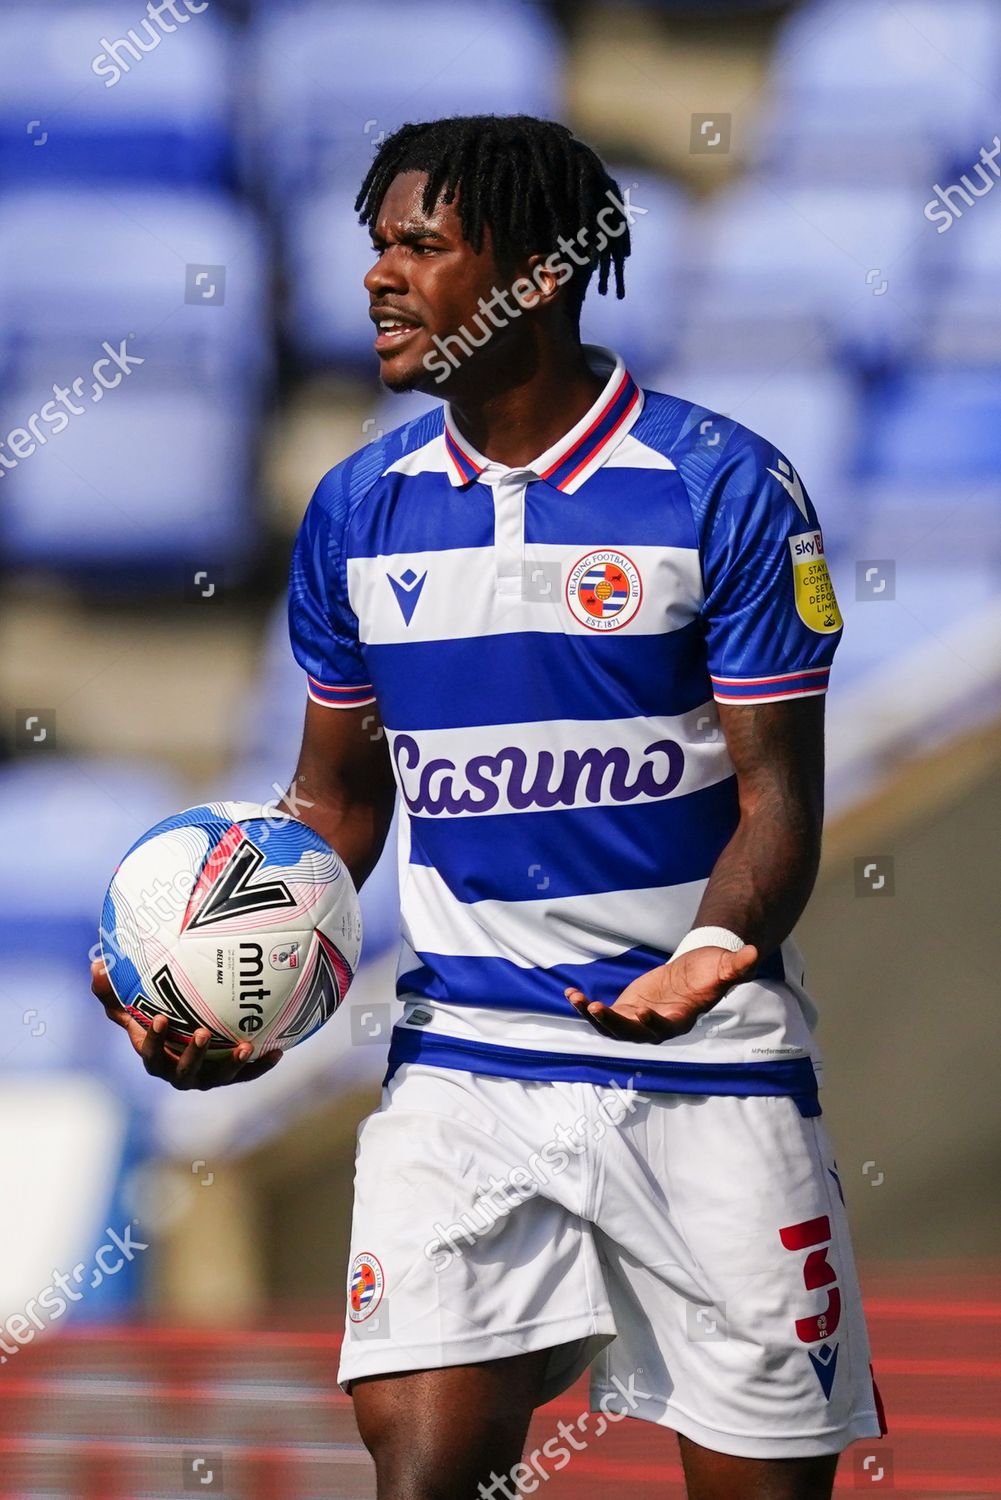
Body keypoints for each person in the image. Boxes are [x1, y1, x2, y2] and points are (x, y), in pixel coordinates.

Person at [93, 114, 886, 1499]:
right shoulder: (359, 509)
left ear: (534, 272)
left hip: (710, 1075)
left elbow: (776, 806)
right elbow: (336, 802)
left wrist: (706, 952)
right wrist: (254, 997)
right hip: (467, 1061)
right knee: (421, 1469)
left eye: (421, 245)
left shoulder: (722, 488)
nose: (378, 277)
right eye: (374, 244)